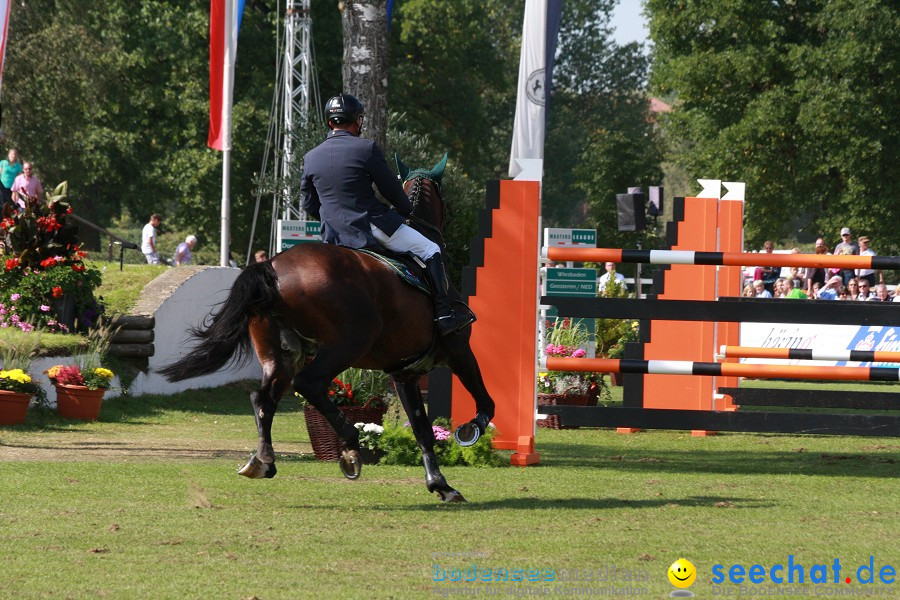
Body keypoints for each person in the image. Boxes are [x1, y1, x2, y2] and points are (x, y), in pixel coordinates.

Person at [300, 93, 473, 336]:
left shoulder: (310, 157)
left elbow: (308, 203)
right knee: (431, 249)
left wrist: (333, 220)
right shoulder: (366, 148)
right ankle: (444, 315)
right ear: (357, 120)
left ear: (330, 122)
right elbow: (391, 190)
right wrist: (405, 211)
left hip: (334, 233)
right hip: (371, 225)